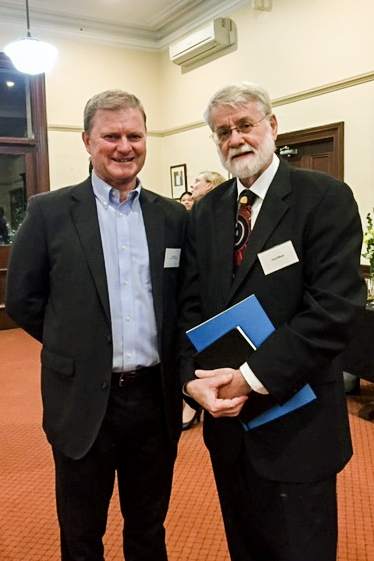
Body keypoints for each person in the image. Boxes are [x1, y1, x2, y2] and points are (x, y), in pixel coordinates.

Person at [178, 81, 366, 561]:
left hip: (297, 423)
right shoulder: (207, 213)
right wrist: (190, 382)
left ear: (272, 126)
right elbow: (191, 306)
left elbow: (333, 310)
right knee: (246, 546)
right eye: (223, 131)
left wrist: (247, 379)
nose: (235, 139)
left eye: (245, 124)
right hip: (229, 427)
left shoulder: (323, 198)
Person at [6, 89, 187, 561]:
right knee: (82, 533)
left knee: (149, 527)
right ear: (87, 141)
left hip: (154, 400)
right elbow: (22, 299)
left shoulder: (171, 217)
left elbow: (184, 301)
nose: (124, 146)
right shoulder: (48, 212)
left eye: (134, 135)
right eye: (111, 136)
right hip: (81, 401)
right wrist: (76, 344)